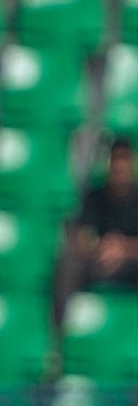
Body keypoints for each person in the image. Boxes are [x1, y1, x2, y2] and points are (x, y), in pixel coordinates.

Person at [55, 137, 138, 324]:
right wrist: (101, 248)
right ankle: (61, 335)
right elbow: (80, 236)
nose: (120, 167)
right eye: (116, 160)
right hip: (99, 261)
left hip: (132, 262)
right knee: (67, 266)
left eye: (124, 161)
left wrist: (123, 248)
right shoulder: (95, 197)